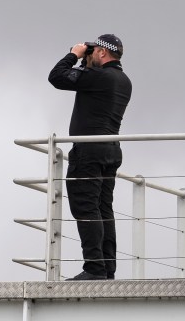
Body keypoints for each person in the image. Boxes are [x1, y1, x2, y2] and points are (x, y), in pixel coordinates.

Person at [48, 34, 132, 281]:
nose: (90, 54)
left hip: (89, 151)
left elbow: (57, 77)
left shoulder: (99, 77)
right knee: (103, 209)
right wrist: (86, 60)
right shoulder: (123, 80)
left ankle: (94, 269)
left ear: (103, 53)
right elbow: (83, 79)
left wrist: (74, 54)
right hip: (111, 150)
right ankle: (106, 269)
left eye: (93, 51)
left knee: (86, 208)